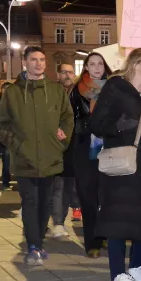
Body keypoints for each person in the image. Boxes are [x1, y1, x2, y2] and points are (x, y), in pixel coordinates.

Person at [90, 48, 141, 281]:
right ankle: (117, 273)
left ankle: (136, 266)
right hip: (120, 162)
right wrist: (117, 127)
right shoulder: (115, 87)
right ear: (136, 63)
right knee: (117, 216)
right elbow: (96, 124)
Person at [0, 46, 74, 266]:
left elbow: (68, 118)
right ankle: (33, 246)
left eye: (41, 59)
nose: (38, 63)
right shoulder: (12, 92)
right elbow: (0, 126)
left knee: (45, 203)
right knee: (30, 202)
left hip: (50, 157)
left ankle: (38, 243)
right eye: (33, 59)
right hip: (25, 160)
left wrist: (62, 139)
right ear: (25, 63)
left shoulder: (56, 91)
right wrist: (17, 145)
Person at [70, 53, 111, 258]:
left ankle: (104, 234)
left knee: (108, 195)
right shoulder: (76, 91)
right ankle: (92, 242)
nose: (96, 67)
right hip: (84, 147)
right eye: (92, 64)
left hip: (110, 147)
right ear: (85, 67)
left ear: (105, 66)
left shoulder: (114, 88)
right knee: (88, 196)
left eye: (100, 64)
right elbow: (68, 118)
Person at [51, 62, 80, 239]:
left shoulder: (79, 93)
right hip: (55, 145)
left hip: (74, 146)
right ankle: (58, 222)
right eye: (64, 72)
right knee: (58, 186)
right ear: (58, 75)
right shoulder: (53, 93)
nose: (68, 75)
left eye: (70, 72)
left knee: (67, 185)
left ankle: (60, 219)